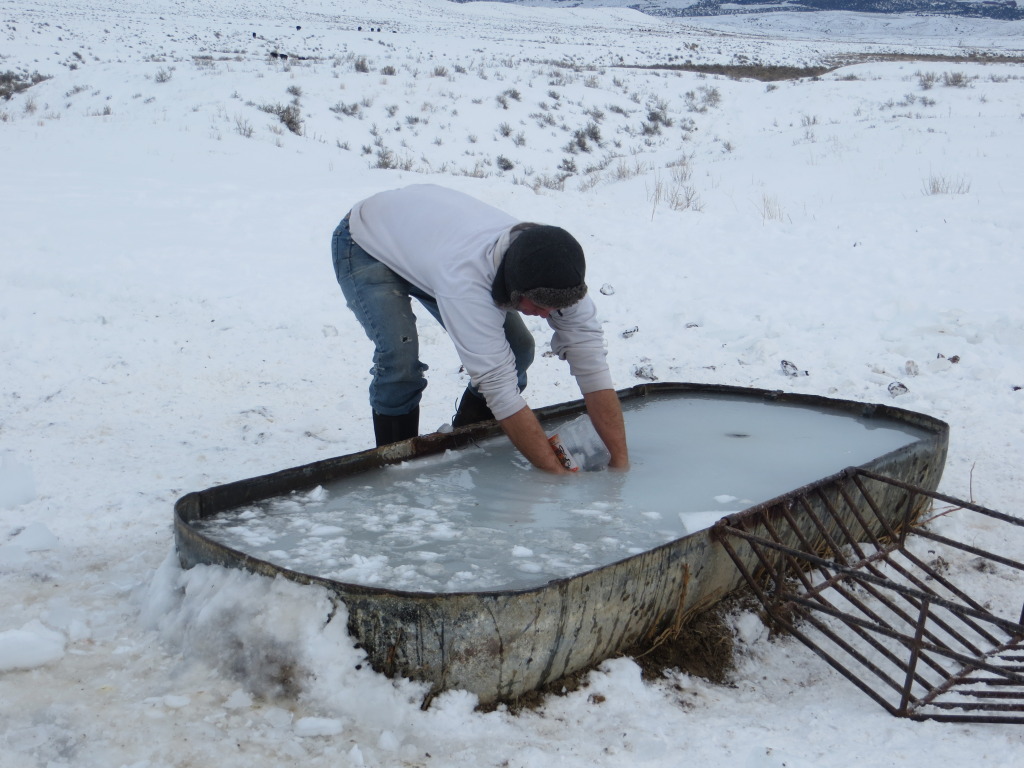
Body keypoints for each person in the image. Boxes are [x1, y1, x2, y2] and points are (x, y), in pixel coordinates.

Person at [331, 184, 628, 474]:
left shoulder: (558, 272)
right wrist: (556, 475)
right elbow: (498, 387)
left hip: (427, 242)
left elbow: (593, 369)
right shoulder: (466, 284)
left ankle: (464, 444)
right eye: (539, 305)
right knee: (400, 357)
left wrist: (620, 463)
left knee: (519, 349)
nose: (546, 315)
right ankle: (396, 468)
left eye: (555, 308)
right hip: (366, 240)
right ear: (512, 288)